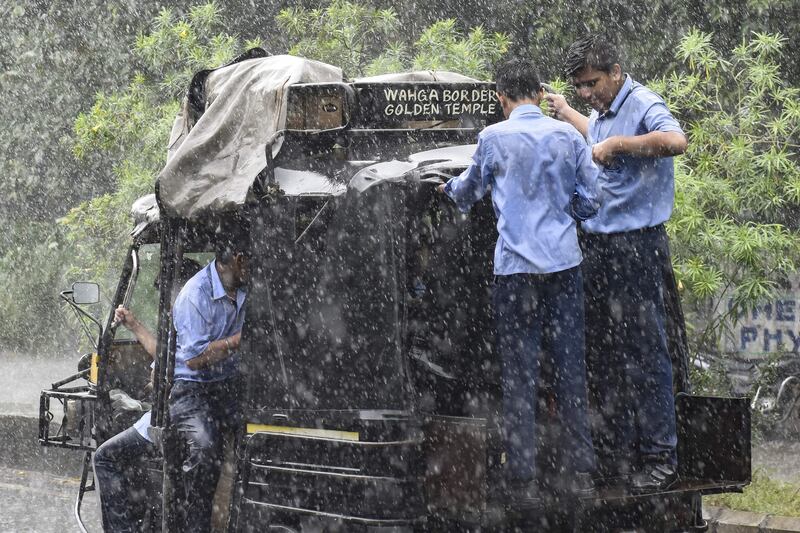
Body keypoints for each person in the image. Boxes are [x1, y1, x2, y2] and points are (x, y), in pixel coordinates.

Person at [438, 58, 602, 505]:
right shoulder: (569, 135)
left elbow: (469, 192)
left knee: (520, 375)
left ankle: (523, 481)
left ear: (501, 98)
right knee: (570, 371)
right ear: (537, 91)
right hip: (564, 267)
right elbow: (593, 198)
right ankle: (582, 476)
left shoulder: (493, 137)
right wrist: (568, 214)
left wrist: (448, 191)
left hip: (514, 273)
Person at [545, 35, 689, 492]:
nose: (588, 93)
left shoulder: (643, 102)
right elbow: (596, 136)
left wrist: (622, 145)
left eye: (591, 84)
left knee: (647, 354)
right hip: (599, 249)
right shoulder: (601, 112)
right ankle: (620, 455)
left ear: (615, 71)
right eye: (580, 87)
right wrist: (568, 110)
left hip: (638, 248)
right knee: (606, 355)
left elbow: (675, 140)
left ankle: (660, 458)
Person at [93, 258, 202, 533]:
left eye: (164, 294)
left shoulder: (187, 319)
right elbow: (160, 365)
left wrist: (135, 326)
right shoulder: (199, 316)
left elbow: (165, 367)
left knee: (105, 456)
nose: (164, 303)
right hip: (186, 412)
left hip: (175, 417)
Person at [168, 236, 249, 532]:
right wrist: (238, 341)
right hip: (191, 389)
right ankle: (193, 525)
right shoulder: (194, 295)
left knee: (261, 431)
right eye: (252, 262)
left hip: (228, 383)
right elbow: (195, 360)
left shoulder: (244, 288)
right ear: (239, 260)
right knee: (205, 448)